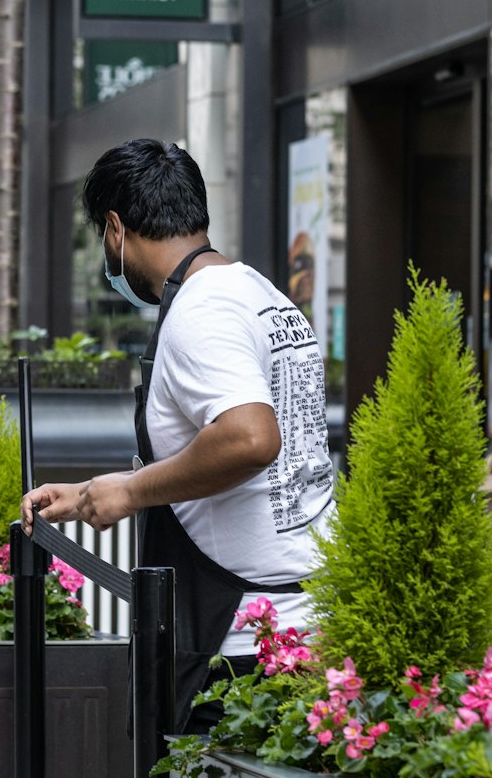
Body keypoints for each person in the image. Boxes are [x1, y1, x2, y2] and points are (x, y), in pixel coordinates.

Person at [20, 137, 334, 730]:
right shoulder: (260, 294)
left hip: (237, 650)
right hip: (299, 623)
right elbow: (214, 450)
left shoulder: (200, 311)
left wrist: (132, 493)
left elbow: (249, 439)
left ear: (115, 230)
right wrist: (97, 488)